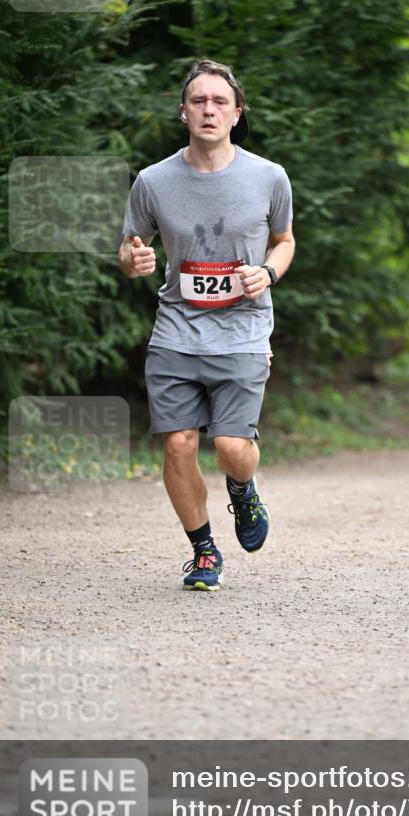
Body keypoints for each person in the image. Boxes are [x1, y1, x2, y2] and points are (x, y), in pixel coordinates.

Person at [119, 57, 295, 588]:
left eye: (220, 101)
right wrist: (135, 261)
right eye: (199, 101)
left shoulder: (269, 177)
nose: (209, 110)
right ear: (183, 113)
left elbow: (284, 242)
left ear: (237, 113)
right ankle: (202, 550)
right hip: (176, 329)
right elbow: (130, 252)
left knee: (232, 449)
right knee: (177, 443)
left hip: (243, 330)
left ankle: (242, 491)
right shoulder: (153, 181)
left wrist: (268, 272)